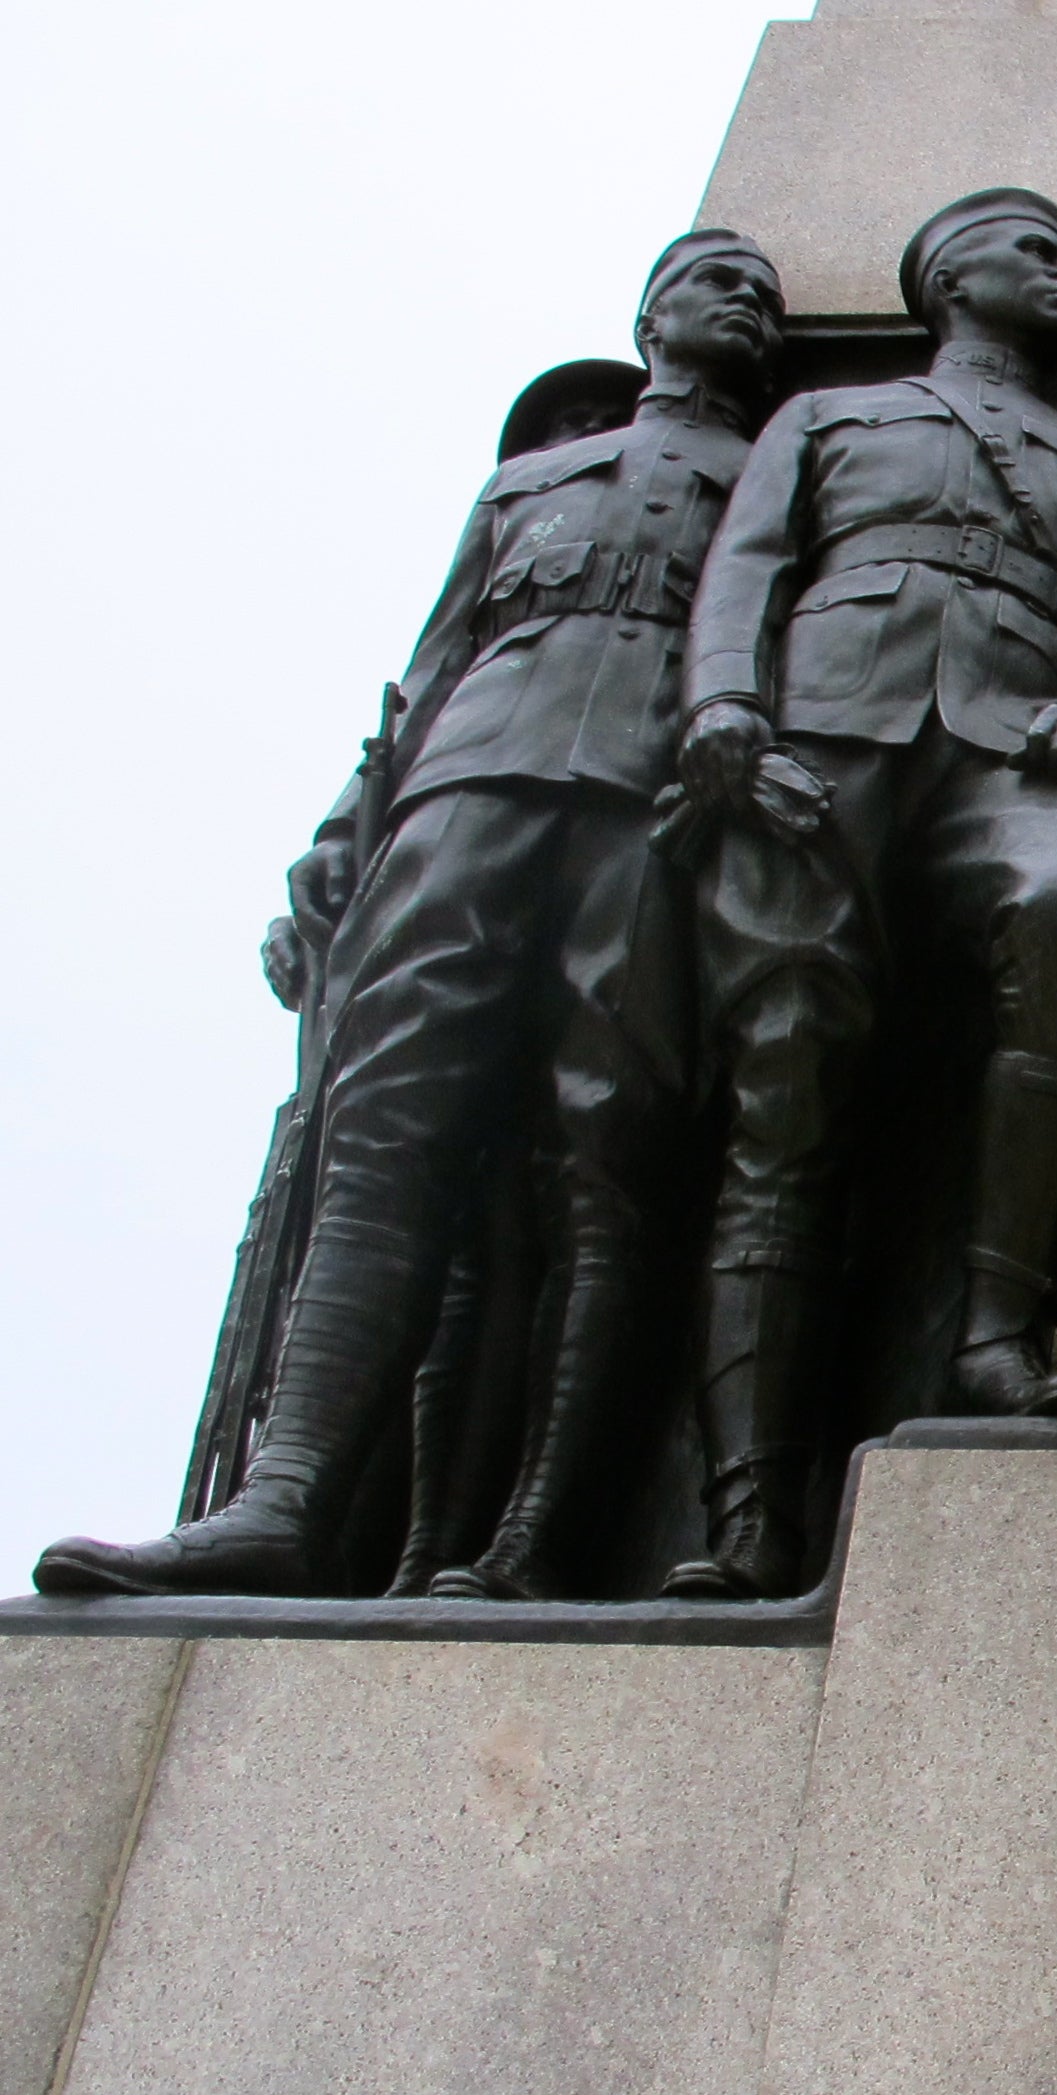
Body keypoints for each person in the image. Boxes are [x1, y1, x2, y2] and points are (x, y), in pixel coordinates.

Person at [39, 233, 787, 1599]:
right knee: (384, 1141)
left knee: (604, 1159)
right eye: (713, 280)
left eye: (762, 289)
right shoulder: (525, 482)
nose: (745, 300)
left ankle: (539, 1533)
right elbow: (431, 666)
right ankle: (284, 1500)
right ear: (651, 314)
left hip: (647, 812)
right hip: (465, 795)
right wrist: (342, 827)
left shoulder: (777, 476)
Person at [665, 186, 1057, 1598]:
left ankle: (997, 1331)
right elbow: (747, 569)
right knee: (786, 1087)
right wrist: (722, 707)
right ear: (951, 276)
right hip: (821, 742)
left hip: (1009, 747)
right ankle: (748, 1509)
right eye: (1033, 250)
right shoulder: (826, 420)